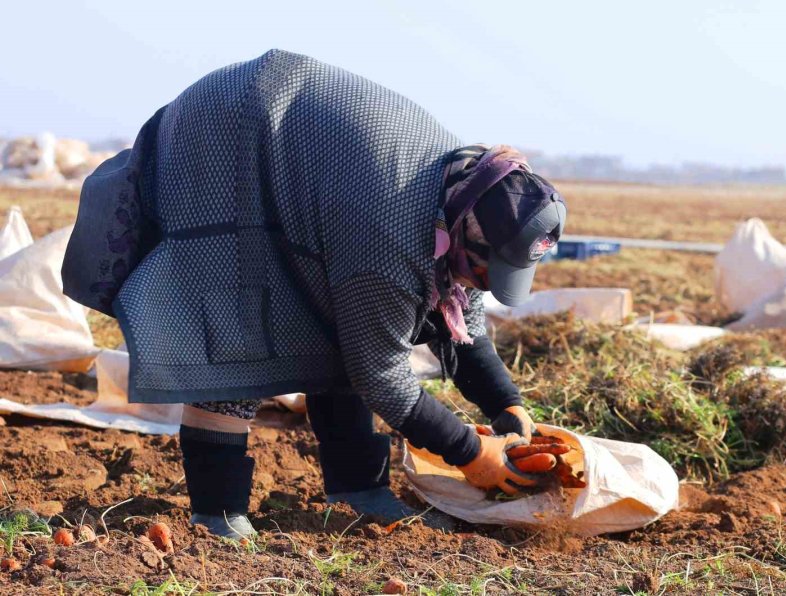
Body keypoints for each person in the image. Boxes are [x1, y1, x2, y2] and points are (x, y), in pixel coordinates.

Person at [62, 49, 567, 539]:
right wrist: (470, 454)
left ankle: (355, 492)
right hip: (230, 132)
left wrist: (508, 405)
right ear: (467, 237)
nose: (480, 286)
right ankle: (216, 513)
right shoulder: (391, 233)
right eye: (484, 272)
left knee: (335, 323)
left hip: (305, 160)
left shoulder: (465, 196)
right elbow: (382, 375)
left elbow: (463, 323)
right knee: (237, 328)